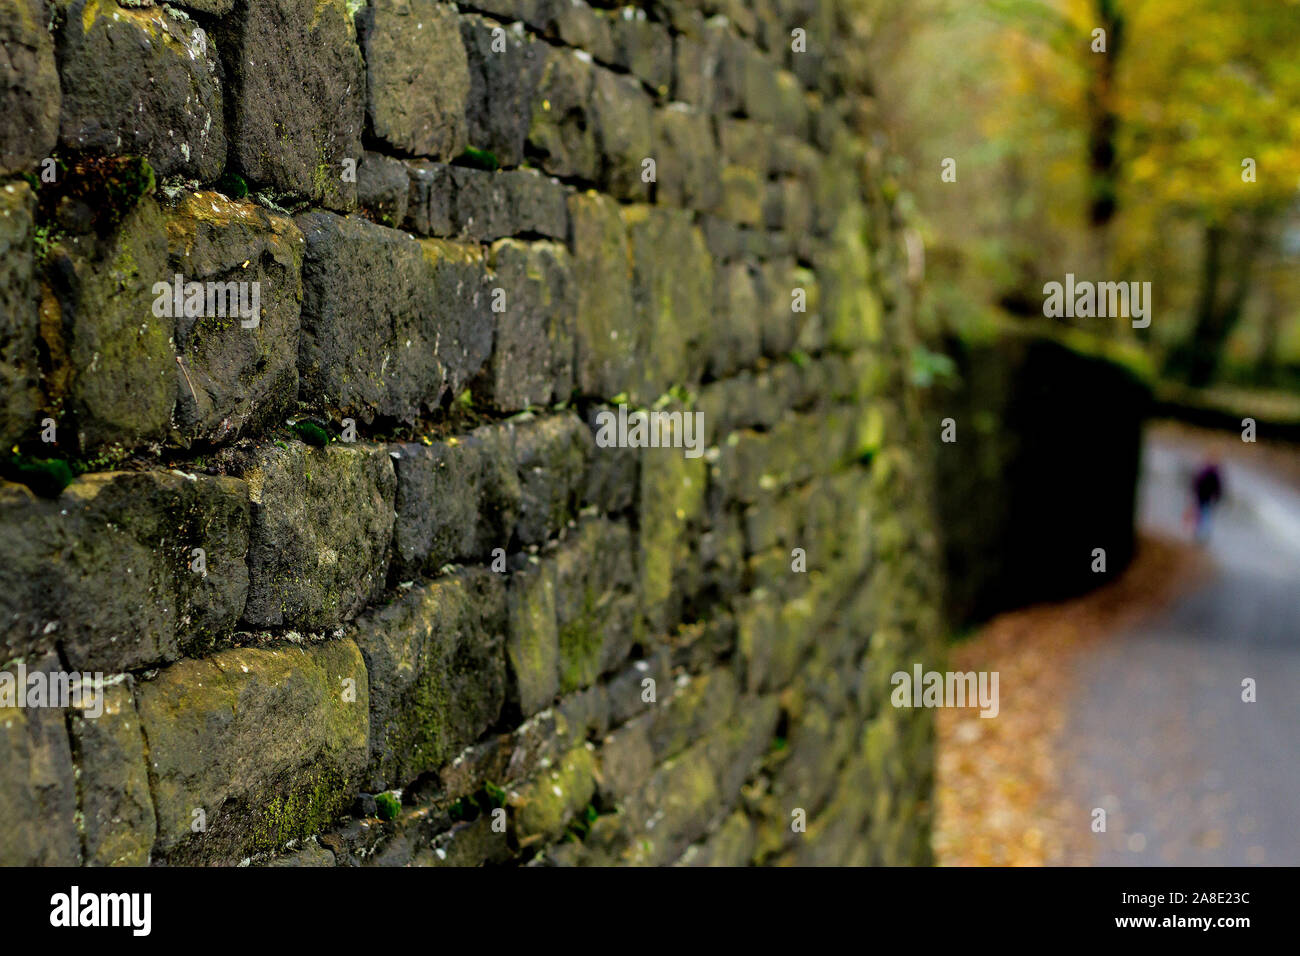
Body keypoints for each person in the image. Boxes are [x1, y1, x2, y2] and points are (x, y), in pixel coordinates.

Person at [1189, 457, 1224, 542]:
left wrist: (1195, 492)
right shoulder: (1214, 474)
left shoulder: (1205, 472)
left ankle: (1199, 533)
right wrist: (1217, 497)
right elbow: (1218, 488)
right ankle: (1203, 534)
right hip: (1206, 498)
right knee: (1206, 515)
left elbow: (1197, 483)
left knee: (1202, 514)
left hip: (1202, 497)